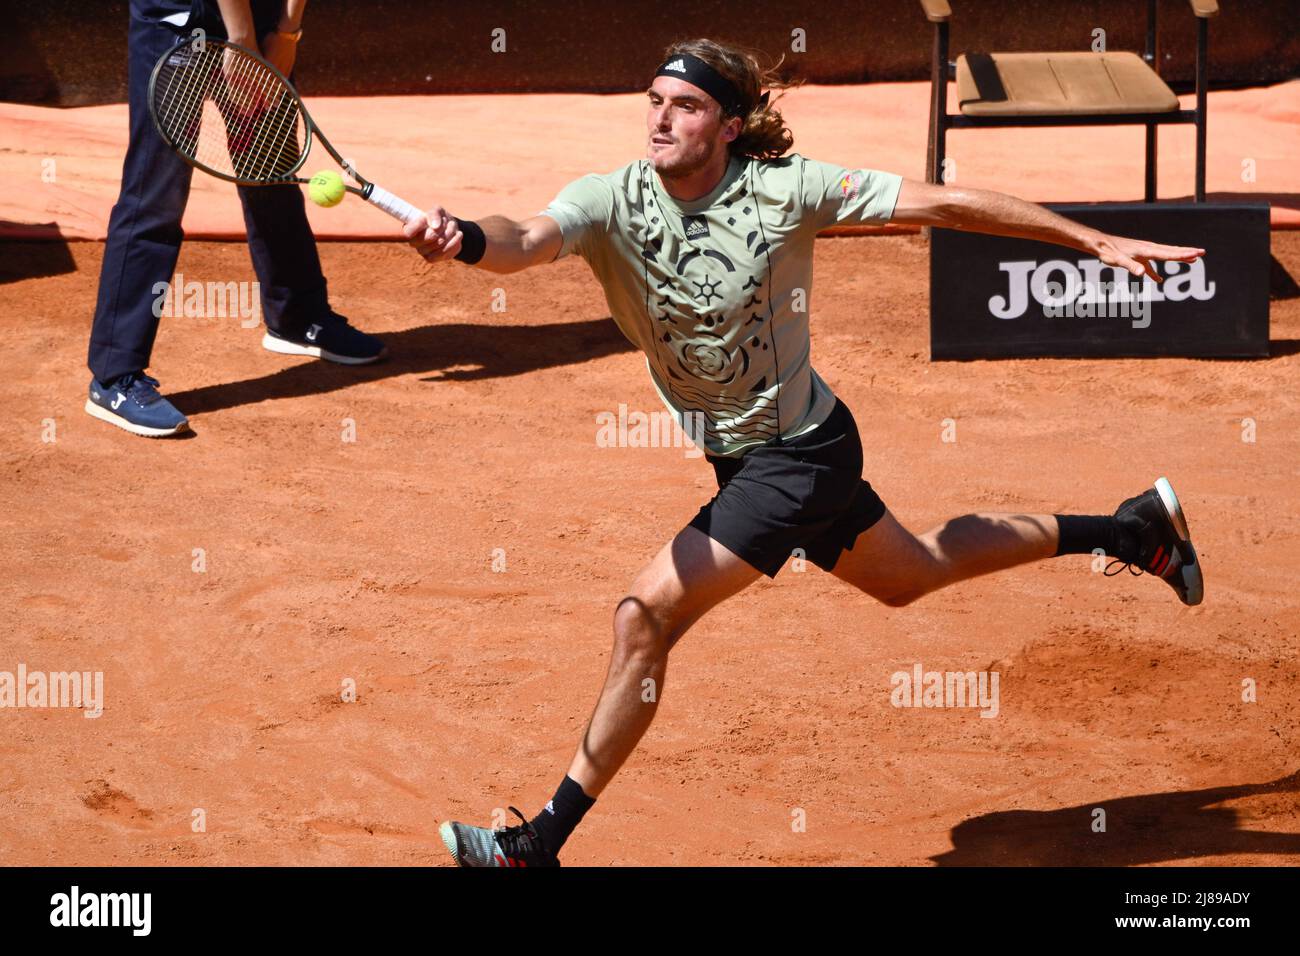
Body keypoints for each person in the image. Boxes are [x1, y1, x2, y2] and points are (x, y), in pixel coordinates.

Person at [407, 38, 1206, 867]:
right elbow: (525, 237)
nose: (661, 119)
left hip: (803, 455)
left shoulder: (789, 192)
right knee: (915, 573)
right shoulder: (610, 201)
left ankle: (537, 843)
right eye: (654, 100)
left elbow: (945, 205)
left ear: (730, 125)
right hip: (747, 458)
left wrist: (1090, 240)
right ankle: (1131, 531)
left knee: (644, 616)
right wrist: (464, 237)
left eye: (686, 106)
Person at [85, 0, 385, 438]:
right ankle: (114, 376)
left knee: (271, 170)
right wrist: (241, 40)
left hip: (261, 21)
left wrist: (285, 32)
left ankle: (297, 317)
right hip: (179, 23)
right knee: (156, 191)